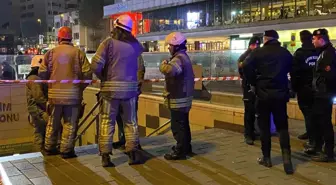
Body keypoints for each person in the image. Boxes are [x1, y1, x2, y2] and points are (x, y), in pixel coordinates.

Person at [91, 15, 144, 167]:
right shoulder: (136, 46)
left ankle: (106, 157)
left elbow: (95, 66)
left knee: (107, 122)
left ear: (116, 27)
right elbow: (140, 69)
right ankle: (133, 154)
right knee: (130, 122)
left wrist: (103, 77)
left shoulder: (108, 43)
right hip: (130, 92)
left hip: (110, 91)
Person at [243, 30, 294, 174]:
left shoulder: (258, 52)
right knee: (282, 126)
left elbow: (246, 66)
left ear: (265, 39)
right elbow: (293, 69)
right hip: (280, 94)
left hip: (263, 94)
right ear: (277, 39)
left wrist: (253, 82)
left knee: (264, 126)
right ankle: (286, 159)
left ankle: (267, 157)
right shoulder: (285, 53)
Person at [39, 26, 92, 159]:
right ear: (70, 38)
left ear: (59, 38)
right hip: (73, 96)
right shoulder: (78, 53)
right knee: (70, 123)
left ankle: (49, 148)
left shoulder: (50, 53)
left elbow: (42, 73)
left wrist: (50, 86)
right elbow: (88, 73)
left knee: (53, 122)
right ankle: (66, 151)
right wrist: (80, 88)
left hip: (54, 96)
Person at [160, 32, 195, 160]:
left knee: (177, 126)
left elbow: (170, 71)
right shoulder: (184, 57)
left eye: (170, 45)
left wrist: (163, 65)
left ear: (176, 46)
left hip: (178, 99)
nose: (169, 48)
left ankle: (180, 151)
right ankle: (186, 147)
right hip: (184, 99)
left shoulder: (178, 59)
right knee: (184, 124)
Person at [290, 30, 318, 151]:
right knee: (316, 112)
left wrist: (294, 88)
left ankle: (313, 140)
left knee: (308, 113)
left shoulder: (299, 54)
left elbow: (294, 73)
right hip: (318, 88)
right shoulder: (319, 51)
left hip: (304, 88)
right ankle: (312, 134)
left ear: (301, 39)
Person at [310, 28, 335, 162]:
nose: (312, 41)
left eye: (314, 39)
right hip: (321, 93)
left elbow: (329, 75)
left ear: (321, 39)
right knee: (318, 120)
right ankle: (318, 147)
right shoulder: (323, 52)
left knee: (325, 122)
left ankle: (328, 152)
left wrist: (323, 88)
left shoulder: (328, 54)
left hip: (324, 94)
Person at [113, 55, 145, 150]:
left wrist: (137, 87)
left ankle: (134, 143)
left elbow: (140, 70)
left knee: (131, 119)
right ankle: (123, 140)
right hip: (118, 92)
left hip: (130, 92)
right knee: (119, 117)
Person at [237, 36, 261, 145]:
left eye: (257, 45)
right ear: (250, 45)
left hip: (257, 87)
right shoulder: (244, 57)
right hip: (248, 87)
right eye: (254, 44)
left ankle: (253, 131)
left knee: (256, 110)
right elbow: (242, 72)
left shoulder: (259, 55)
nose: (255, 47)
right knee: (249, 111)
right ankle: (248, 134)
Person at [26, 55, 48, 151]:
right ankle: (39, 155)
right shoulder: (35, 78)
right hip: (40, 111)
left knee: (39, 133)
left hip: (36, 110)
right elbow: (39, 97)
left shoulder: (32, 78)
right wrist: (48, 106)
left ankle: (38, 157)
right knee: (40, 134)